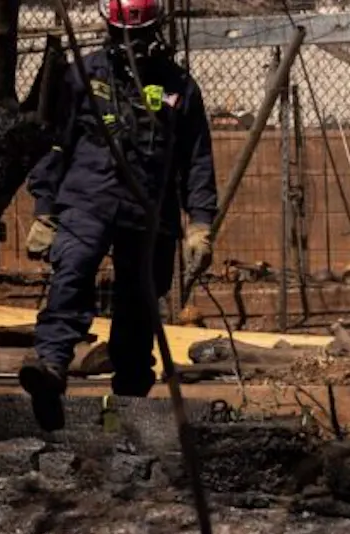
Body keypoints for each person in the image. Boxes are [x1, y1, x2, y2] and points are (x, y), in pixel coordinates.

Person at [20, 0, 217, 434]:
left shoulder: (179, 86)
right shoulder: (82, 77)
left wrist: (200, 223)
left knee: (139, 302)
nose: (130, 46)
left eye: (139, 36)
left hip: (149, 211)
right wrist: (45, 210)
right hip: (87, 199)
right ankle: (51, 369)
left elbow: (197, 159)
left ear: (157, 32)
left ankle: (129, 401)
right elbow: (54, 143)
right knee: (72, 271)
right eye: (122, 35)